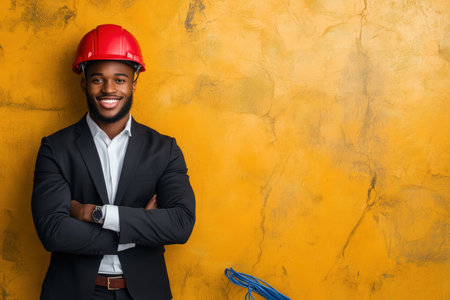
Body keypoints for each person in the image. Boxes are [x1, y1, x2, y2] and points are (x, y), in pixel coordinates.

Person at [31, 24, 196, 300]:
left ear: (133, 83)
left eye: (119, 79)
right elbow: (53, 231)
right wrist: (135, 232)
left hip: (144, 293)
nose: (109, 89)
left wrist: (94, 213)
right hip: (73, 292)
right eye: (98, 79)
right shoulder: (55, 148)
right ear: (84, 82)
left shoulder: (164, 149)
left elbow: (181, 223)